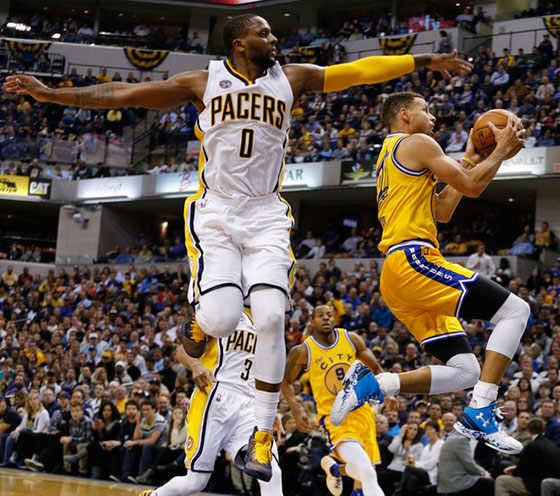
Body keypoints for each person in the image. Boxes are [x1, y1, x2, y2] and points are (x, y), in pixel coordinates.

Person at [4, 15, 472, 481]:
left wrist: (425, 58)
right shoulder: (203, 81)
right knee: (225, 318)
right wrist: (50, 94)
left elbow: (361, 71)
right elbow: (124, 94)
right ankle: (199, 321)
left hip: (267, 213)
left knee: (270, 319)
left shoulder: (291, 78)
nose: (275, 39)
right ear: (240, 43)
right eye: (265, 34)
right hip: (218, 213)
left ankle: (262, 438)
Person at [332, 91, 529, 455]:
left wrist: (472, 157)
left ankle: (373, 385)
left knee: (465, 370)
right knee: (516, 311)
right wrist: (499, 150)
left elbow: (442, 209)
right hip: (413, 260)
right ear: (405, 115)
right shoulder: (417, 142)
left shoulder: (394, 154)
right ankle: (482, 409)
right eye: (427, 110)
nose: (434, 117)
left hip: (398, 273)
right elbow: (471, 187)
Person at [137, 312, 282, 496]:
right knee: (195, 482)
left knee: (272, 473)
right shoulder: (224, 310)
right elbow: (181, 352)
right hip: (215, 395)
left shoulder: (267, 325)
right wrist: (196, 365)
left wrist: (269, 412)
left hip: (249, 403)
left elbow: (268, 376)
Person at [282, 305, 384, 496]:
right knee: (367, 472)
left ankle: (334, 469)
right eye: (320, 316)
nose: (326, 318)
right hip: (335, 418)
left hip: (363, 414)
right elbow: (285, 381)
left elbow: (377, 369)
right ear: (311, 322)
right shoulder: (304, 350)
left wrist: (390, 393)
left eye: (329, 315)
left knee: (363, 476)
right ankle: (334, 469)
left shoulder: (351, 340)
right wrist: (296, 411)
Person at [495, 418, 560, 496]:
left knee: (501, 480)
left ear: (529, 430)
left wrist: (513, 471)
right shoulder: (552, 445)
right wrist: (515, 468)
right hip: (552, 484)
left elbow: (521, 470)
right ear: (543, 430)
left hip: (535, 486)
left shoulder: (533, 446)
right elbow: (538, 465)